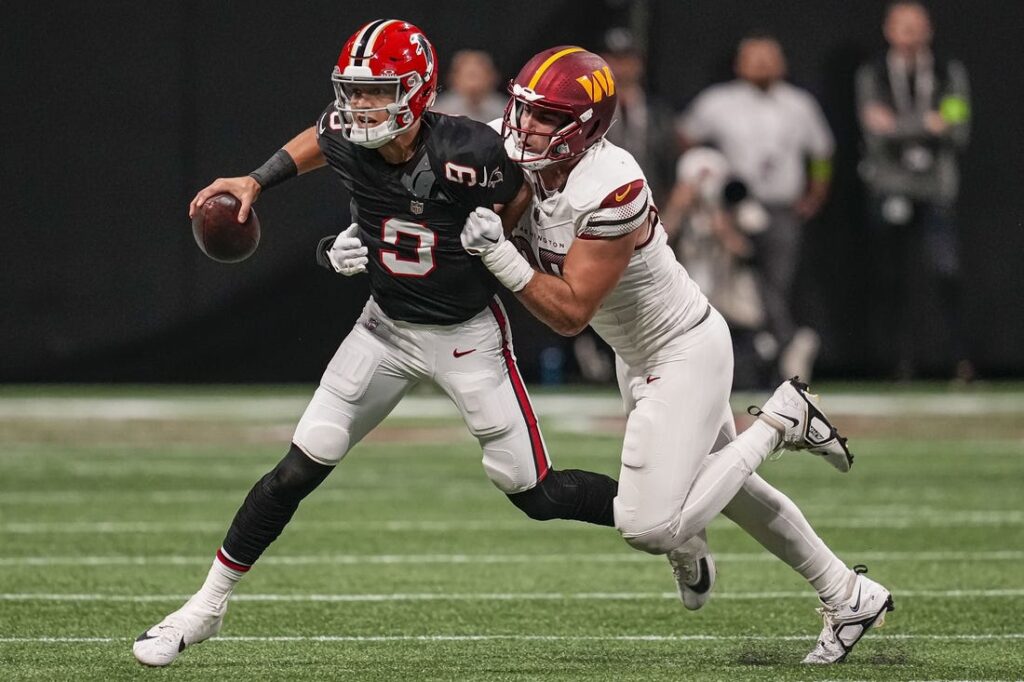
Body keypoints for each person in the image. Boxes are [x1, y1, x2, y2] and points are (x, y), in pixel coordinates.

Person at [132, 20, 619, 668]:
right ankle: (204, 607)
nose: (358, 108)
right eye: (354, 92)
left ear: (417, 92)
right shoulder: (346, 135)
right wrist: (257, 182)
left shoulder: (471, 150)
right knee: (299, 465)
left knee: (534, 492)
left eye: (375, 93)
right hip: (385, 326)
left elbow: (522, 198)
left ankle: (657, 516)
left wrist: (492, 245)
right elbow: (319, 135)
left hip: (465, 334)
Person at [462, 46, 893, 664]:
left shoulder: (612, 186)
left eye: (546, 117)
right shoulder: (528, 162)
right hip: (636, 352)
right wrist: (372, 243)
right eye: (523, 110)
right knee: (732, 489)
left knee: (650, 525)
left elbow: (569, 312)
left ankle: (779, 423)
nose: (524, 127)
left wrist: (501, 257)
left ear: (585, 126)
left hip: (684, 348)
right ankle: (849, 594)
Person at [678, 32, 833, 383]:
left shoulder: (799, 104)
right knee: (726, 286)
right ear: (739, 63)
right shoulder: (717, 102)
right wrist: (705, 178)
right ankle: (753, 355)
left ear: (782, 62)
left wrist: (815, 195)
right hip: (731, 210)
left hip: (780, 207)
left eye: (769, 57)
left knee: (775, 284)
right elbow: (685, 137)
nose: (762, 64)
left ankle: (781, 350)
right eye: (754, 57)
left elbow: (822, 152)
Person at [856, 1, 973, 381]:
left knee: (946, 272)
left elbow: (956, 126)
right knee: (892, 277)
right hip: (890, 184)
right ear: (889, 30)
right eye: (902, 26)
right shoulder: (873, 73)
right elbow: (874, 129)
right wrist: (926, 123)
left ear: (929, 30)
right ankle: (896, 362)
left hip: (936, 186)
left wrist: (899, 125)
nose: (910, 34)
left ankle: (957, 359)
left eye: (916, 26)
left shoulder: (946, 71)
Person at [431, 49, 507, 123]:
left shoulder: (505, 111)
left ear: (492, 77)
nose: (473, 82)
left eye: (478, 75)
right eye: (469, 75)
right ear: (453, 78)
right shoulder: (439, 112)